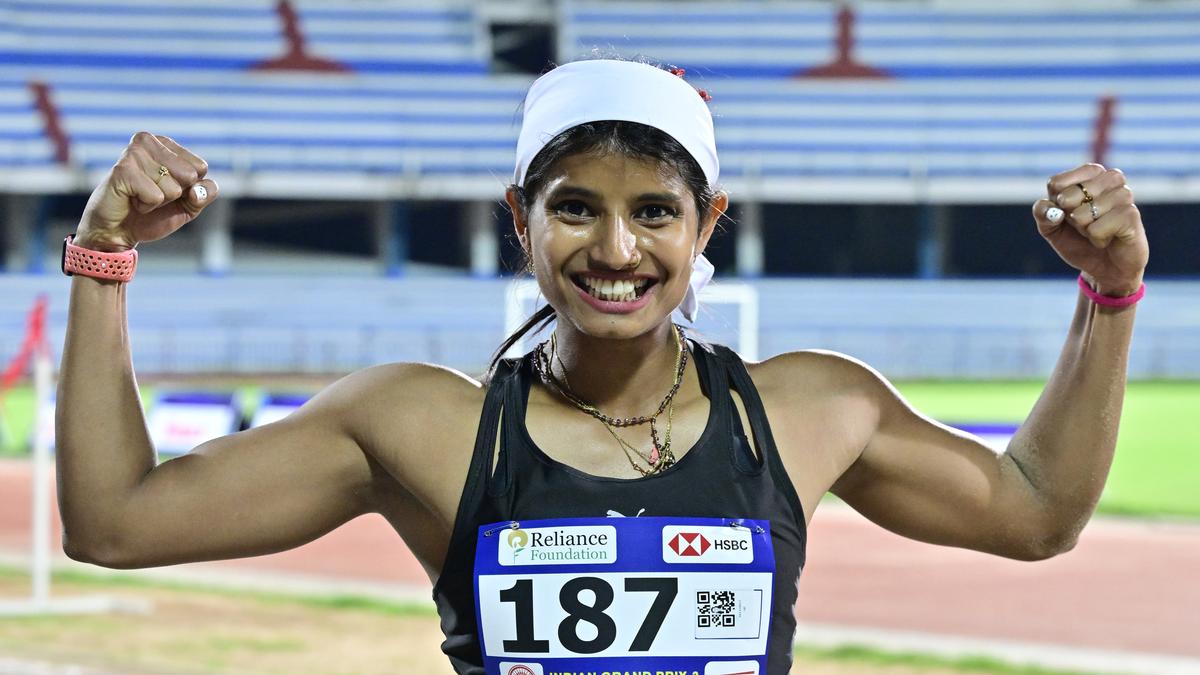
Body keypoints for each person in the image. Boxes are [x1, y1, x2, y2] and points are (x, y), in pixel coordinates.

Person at [56, 58, 1148, 674]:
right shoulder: (419, 425)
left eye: (655, 213)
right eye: (574, 207)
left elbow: (1037, 511)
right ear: (517, 222)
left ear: (706, 221)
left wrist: (1108, 295)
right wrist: (104, 262)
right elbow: (117, 523)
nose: (617, 252)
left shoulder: (814, 409)